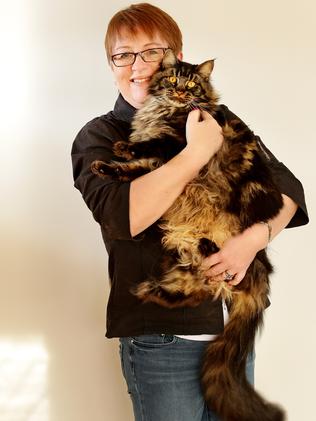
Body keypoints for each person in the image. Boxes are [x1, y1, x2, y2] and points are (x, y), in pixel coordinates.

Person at [71, 3, 308, 421]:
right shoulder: (99, 135)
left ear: (176, 59)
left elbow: (290, 190)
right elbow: (124, 217)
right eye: (124, 54)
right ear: (112, 65)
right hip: (162, 338)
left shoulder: (217, 118)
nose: (139, 65)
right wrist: (197, 152)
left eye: (152, 52)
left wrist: (249, 242)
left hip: (230, 332)